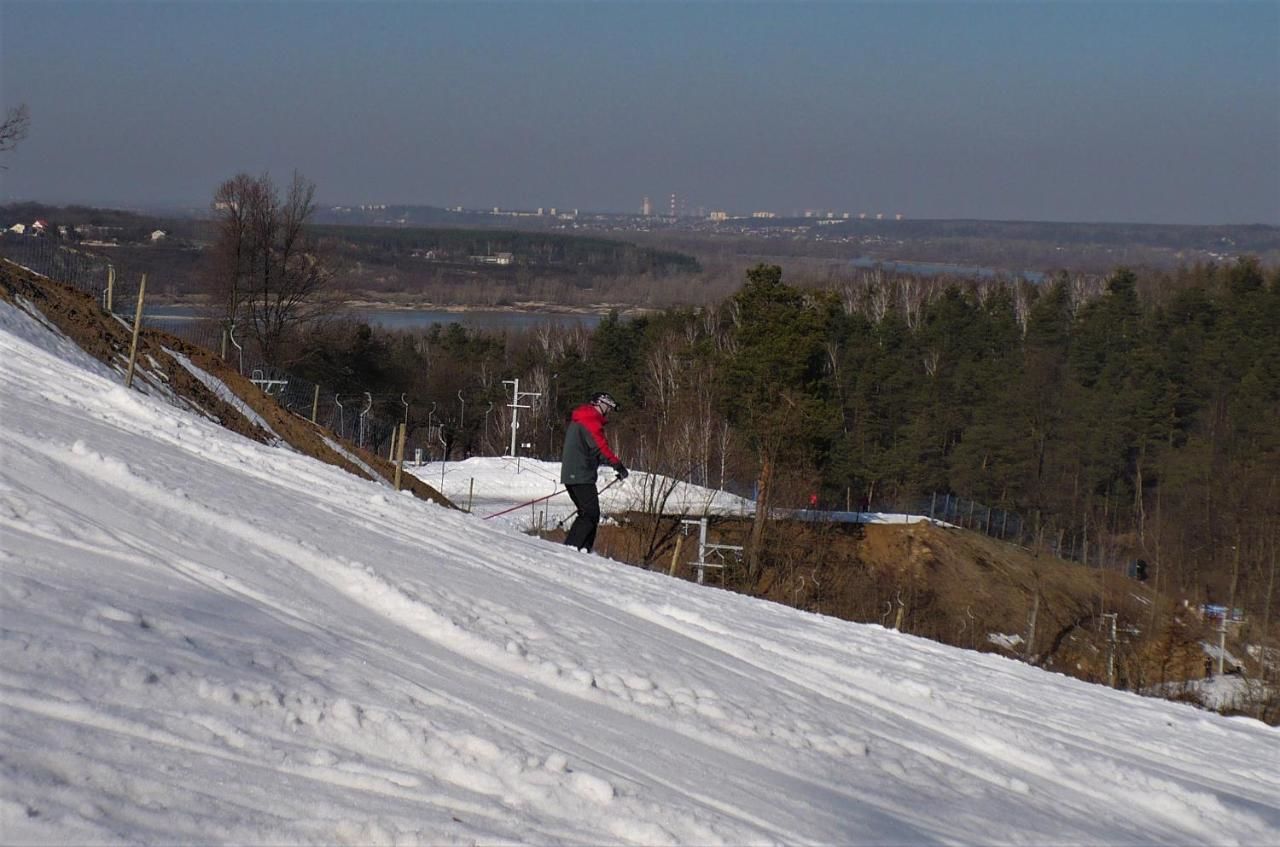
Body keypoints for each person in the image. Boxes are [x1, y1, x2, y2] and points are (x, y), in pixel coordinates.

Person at [560, 392, 627, 552]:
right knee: (589, 514)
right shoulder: (590, 419)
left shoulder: (583, 418)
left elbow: (594, 449)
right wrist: (617, 465)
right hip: (580, 474)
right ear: (599, 404)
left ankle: (583, 550)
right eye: (608, 407)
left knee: (588, 513)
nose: (608, 411)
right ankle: (572, 550)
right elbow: (600, 447)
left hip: (575, 474)